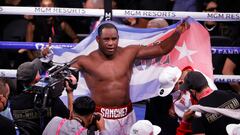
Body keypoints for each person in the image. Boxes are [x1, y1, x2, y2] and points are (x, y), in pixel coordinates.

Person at [70, 20, 189, 134]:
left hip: (127, 114)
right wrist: (50, 57)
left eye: (114, 39)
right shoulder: (84, 61)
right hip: (101, 117)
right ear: (98, 39)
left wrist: (177, 32)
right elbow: (61, 72)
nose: (111, 43)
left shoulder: (129, 53)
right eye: (106, 39)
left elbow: (161, 49)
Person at [10, 47, 77, 134]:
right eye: (38, 71)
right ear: (37, 78)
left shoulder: (14, 103)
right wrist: (70, 92)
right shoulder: (49, 100)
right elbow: (71, 121)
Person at [43, 96, 108, 135]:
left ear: (71, 113)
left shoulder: (55, 121)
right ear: (90, 118)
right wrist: (102, 129)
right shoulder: (86, 133)